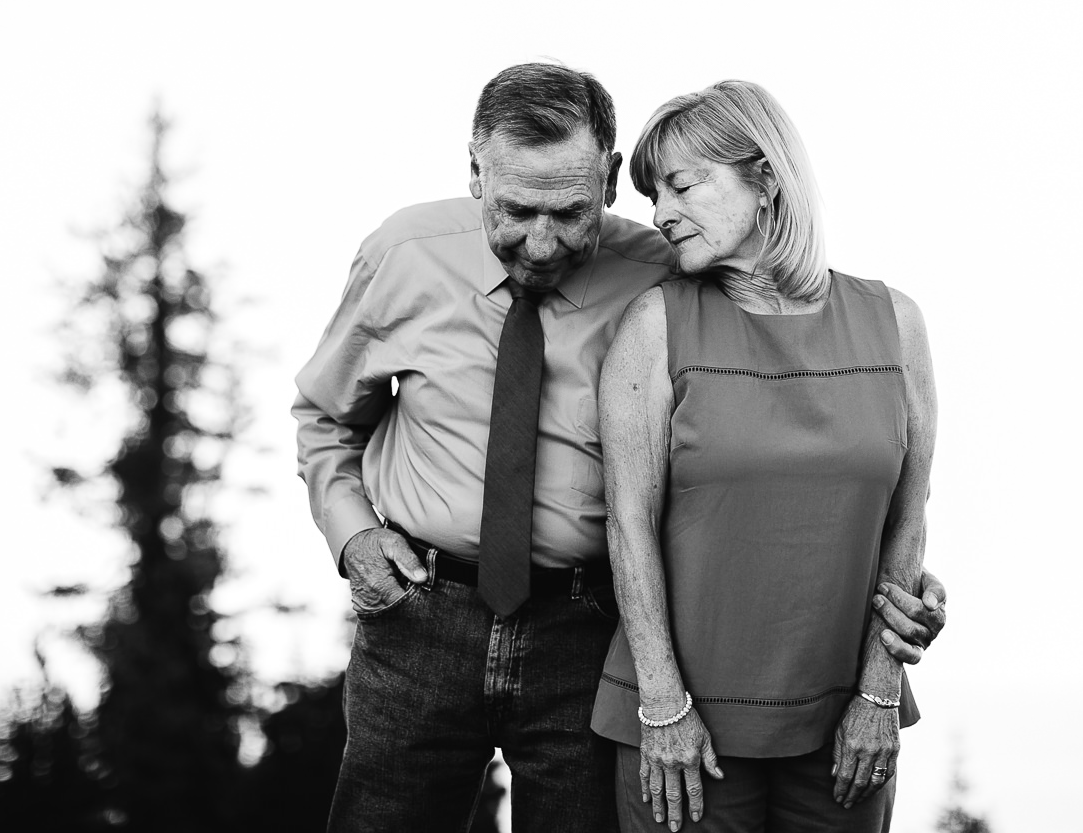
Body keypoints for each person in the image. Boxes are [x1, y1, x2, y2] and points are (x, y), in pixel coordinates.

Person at [294, 63, 945, 833]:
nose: (540, 242)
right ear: (475, 172)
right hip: (424, 620)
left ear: (606, 181)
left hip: (585, 627)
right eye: (514, 209)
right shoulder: (403, 255)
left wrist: (889, 580)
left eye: (568, 212)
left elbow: (786, 397)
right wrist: (354, 535)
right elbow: (327, 416)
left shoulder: (667, 274)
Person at [591, 79, 937, 833]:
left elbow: (908, 522)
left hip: (849, 727)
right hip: (684, 731)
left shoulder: (895, 325)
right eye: (655, 194)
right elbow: (627, 526)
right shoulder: (655, 327)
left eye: (683, 185)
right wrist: (662, 707)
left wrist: (879, 693)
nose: (661, 213)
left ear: (767, 180)